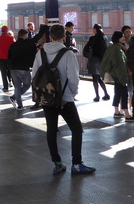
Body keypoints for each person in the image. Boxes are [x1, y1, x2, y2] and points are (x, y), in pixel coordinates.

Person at [32, 24, 95, 175]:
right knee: (77, 130)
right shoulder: (68, 54)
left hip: (47, 97)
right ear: (64, 37)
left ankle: (57, 163)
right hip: (65, 99)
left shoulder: (40, 53)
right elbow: (74, 78)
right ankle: (77, 164)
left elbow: (34, 75)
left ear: (50, 36)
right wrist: (72, 94)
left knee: (51, 130)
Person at [8, 24, 47, 110]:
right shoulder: (27, 43)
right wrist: (43, 28)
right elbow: (37, 37)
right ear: (24, 35)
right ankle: (14, 97)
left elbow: (9, 57)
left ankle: (19, 105)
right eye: (26, 35)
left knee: (17, 87)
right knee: (27, 85)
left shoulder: (13, 45)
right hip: (23, 68)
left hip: (13, 68)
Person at [101, 31, 131, 119]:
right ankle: (127, 114)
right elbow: (120, 64)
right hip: (119, 74)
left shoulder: (112, 48)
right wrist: (124, 76)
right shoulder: (117, 50)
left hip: (114, 73)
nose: (124, 38)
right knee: (124, 93)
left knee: (117, 92)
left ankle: (116, 111)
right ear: (118, 38)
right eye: (122, 37)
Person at [83, 23, 110, 102]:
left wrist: (87, 54)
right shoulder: (105, 38)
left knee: (95, 79)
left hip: (94, 60)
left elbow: (86, 48)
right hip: (101, 60)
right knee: (99, 78)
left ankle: (97, 96)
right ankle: (106, 94)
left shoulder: (93, 38)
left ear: (95, 29)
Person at [0, 25, 15, 92]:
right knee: (12, 72)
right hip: (10, 58)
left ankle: (5, 87)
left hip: (1, 58)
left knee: (3, 73)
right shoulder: (11, 38)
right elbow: (14, 48)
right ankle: (15, 86)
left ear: (1, 31)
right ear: (7, 30)